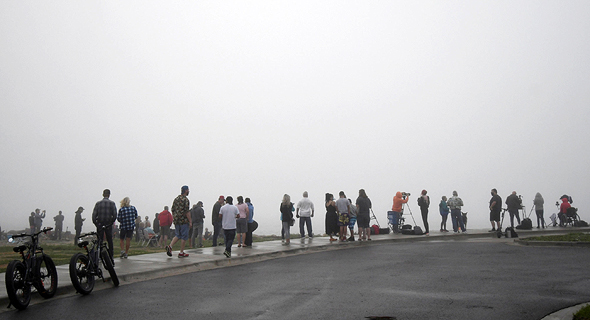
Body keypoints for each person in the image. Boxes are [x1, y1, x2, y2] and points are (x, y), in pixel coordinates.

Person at [166, 185, 192, 258]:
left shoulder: (176, 199)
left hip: (177, 220)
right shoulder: (185, 200)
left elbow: (173, 209)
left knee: (178, 235)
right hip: (184, 220)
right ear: (186, 190)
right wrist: (190, 221)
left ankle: (170, 246)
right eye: (188, 190)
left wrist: (175, 217)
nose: (189, 191)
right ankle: (181, 252)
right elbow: (187, 211)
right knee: (184, 236)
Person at [92, 189, 117, 260]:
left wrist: (96, 223)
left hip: (100, 223)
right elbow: (114, 215)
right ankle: (111, 256)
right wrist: (111, 222)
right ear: (109, 195)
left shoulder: (98, 203)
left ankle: (99, 256)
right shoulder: (112, 203)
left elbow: (94, 215)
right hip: (108, 224)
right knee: (109, 240)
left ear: (103, 194)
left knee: (99, 240)